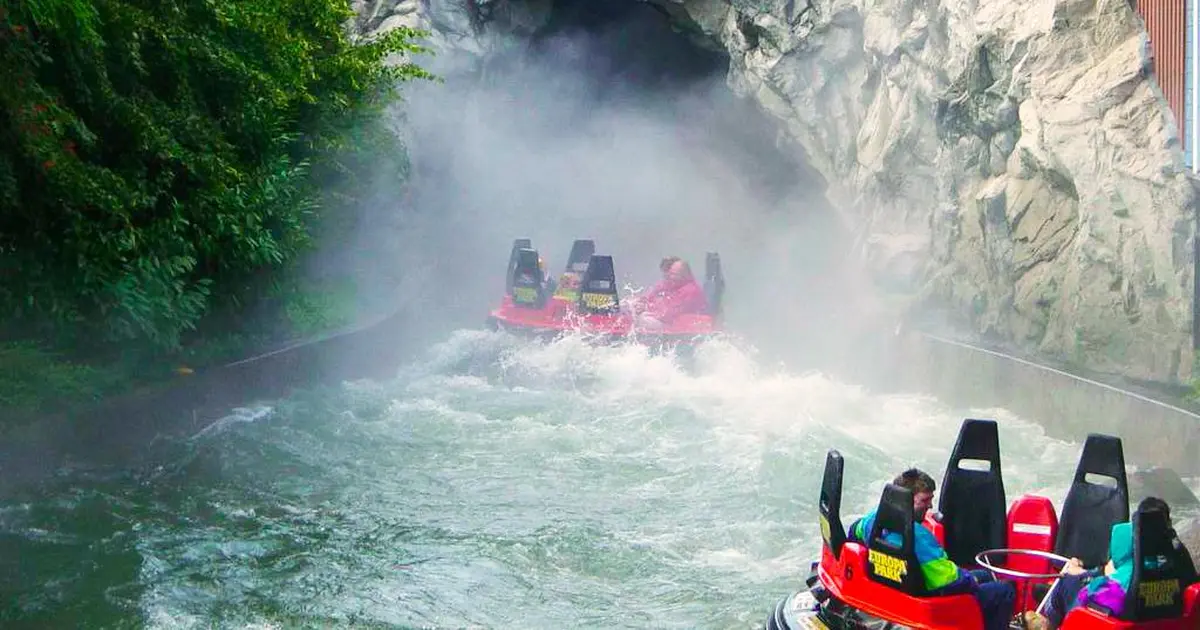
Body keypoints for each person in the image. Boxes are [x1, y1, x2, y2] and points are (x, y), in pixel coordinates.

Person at [847, 468, 1016, 630]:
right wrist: (972, 580)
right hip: (930, 601)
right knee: (1005, 590)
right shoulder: (919, 537)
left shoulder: (873, 519)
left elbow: (854, 532)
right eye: (925, 500)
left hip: (894, 590)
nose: (930, 506)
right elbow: (950, 581)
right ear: (906, 501)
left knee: (985, 575)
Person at [1026, 497, 1190, 629]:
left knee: (1067, 581)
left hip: (1114, 616)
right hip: (1163, 618)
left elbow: (1106, 577)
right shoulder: (1178, 554)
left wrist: (1082, 575)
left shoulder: (1129, 550)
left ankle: (1048, 624)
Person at [629, 256, 708, 331]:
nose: (669, 276)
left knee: (643, 319)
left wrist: (647, 307)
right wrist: (639, 303)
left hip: (680, 329)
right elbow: (649, 297)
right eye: (667, 272)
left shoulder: (691, 290)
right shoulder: (668, 283)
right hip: (667, 322)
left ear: (684, 275)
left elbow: (669, 313)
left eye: (673, 274)